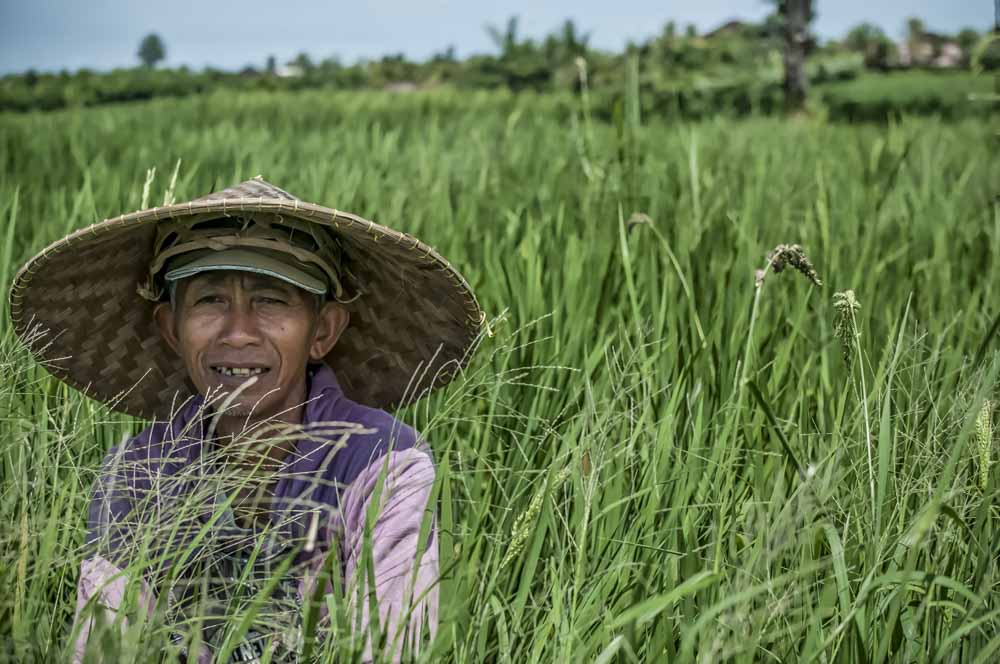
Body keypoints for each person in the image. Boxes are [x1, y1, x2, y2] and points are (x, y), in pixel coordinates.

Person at [8, 177, 482, 662]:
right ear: (171, 330)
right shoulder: (137, 471)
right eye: (209, 300)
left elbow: (391, 647)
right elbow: (104, 648)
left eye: (271, 300)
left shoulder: (385, 463)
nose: (237, 333)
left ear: (322, 330)